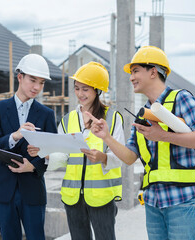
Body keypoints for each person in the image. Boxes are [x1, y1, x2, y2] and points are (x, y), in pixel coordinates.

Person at [86, 46, 195, 240]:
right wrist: (107, 137)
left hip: (183, 200)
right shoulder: (143, 114)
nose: (131, 77)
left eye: (136, 71)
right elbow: (129, 157)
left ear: (153, 72)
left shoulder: (181, 99)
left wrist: (162, 135)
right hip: (153, 202)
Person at [28, 61, 125, 240]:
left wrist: (103, 157)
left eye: (85, 89)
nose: (80, 94)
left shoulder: (112, 118)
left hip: (101, 196)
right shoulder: (67, 120)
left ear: (97, 90)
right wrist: (44, 152)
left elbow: (120, 157)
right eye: (77, 88)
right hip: (73, 196)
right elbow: (64, 156)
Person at [0, 53, 57, 240]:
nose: (36, 87)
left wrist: (33, 165)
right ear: (20, 77)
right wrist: (14, 136)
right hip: (5, 189)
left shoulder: (46, 114)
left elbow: (52, 152)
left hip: (33, 189)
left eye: (41, 83)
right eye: (32, 80)